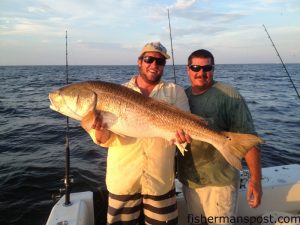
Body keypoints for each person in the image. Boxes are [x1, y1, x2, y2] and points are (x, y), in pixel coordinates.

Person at [81, 42, 190, 225]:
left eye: (160, 61)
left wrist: (183, 138)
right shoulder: (116, 93)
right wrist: (99, 129)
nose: (154, 65)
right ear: (139, 62)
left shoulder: (175, 92)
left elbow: (185, 128)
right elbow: (103, 141)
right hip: (123, 181)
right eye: (149, 59)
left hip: (160, 182)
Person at [177, 49, 262, 225]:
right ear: (188, 69)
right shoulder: (181, 96)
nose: (201, 72)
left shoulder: (228, 95)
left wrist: (255, 179)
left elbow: (248, 139)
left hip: (220, 183)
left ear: (213, 69)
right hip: (190, 182)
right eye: (195, 67)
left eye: (207, 68)